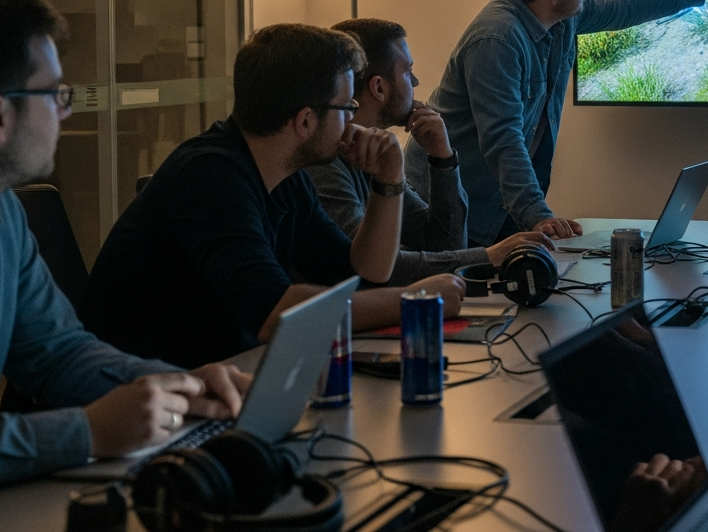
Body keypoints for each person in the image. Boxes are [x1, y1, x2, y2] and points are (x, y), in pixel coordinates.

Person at [0, 0, 251, 505]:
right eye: (54, 94)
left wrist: (182, 387)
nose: (65, 112)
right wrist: (86, 433)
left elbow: (57, 353)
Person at [81, 24, 465, 369]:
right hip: (141, 395)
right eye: (347, 107)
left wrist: (388, 180)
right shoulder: (209, 176)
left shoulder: (286, 177)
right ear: (305, 120)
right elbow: (275, 313)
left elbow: (366, 272)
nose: (353, 120)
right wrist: (414, 299)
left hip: (220, 376)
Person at [407, 0, 708, 246]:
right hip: (450, 206)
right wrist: (539, 216)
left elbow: (624, 6)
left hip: (504, 200)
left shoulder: (560, 15)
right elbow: (503, 139)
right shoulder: (497, 41)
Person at [308, 18, 555, 284]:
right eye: (408, 71)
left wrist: (443, 159)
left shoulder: (373, 152)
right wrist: (488, 256)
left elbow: (445, 244)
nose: (415, 81)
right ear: (379, 87)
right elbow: (375, 269)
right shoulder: (324, 165)